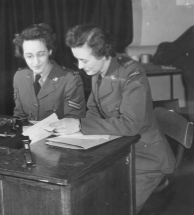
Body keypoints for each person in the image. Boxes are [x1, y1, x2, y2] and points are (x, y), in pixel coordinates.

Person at [50, 24, 176, 213]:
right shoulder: (99, 70)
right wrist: (78, 136)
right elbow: (93, 110)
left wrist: (79, 125)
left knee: (113, 208)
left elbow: (131, 125)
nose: (80, 67)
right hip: (121, 151)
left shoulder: (132, 74)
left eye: (84, 60)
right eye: (77, 60)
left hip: (146, 159)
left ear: (103, 54)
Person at [12, 23, 86, 121]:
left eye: (41, 54)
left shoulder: (70, 79)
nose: (36, 62)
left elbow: (74, 120)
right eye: (29, 56)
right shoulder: (19, 77)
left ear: (50, 51)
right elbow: (19, 115)